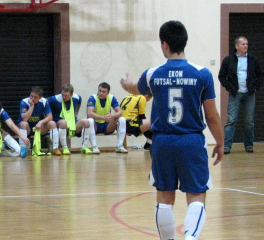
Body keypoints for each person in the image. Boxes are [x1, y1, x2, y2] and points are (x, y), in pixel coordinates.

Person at [120, 20, 224, 240]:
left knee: (164, 199)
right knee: (196, 196)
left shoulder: (152, 74)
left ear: (164, 44)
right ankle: (190, 238)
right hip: (192, 141)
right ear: (184, 42)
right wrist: (221, 142)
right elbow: (212, 116)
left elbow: (137, 90)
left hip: (162, 142)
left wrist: (127, 84)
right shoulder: (202, 74)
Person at [218, 36, 262, 154]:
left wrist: (255, 87)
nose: (245, 46)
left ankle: (248, 145)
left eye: (247, 44)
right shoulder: (228, 60)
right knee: (231, 120)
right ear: (236, 46)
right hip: (235, 94)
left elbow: (260, 75)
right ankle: (227, 146)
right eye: (243, 44)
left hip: (249, 94)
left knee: (249, 121)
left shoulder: (253, 59)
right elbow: (221, 76)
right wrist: (229, 87)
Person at [47, 84, 95, 155]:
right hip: (59, 123)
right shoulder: (55, 99)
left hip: (72, 123)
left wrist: (76, 114)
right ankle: (64, 147)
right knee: (63, 122)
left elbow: (79, 102)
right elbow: (44, 102)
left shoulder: (77, 98)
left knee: (86, 122)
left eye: (66, 95)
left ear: (71, 94)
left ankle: (84, 147)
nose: (63, 97)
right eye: (63, 94)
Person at [86, 82, 127, 154]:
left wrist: (112, 116)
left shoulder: (111, 98)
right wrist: (103, 118)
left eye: (103, 91)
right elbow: (89, 113)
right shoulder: (92, 98)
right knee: (89, 120)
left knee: (122, 119)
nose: (101, 93)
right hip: (96, 126)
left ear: (108, 92)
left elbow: (119, 112)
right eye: (99, 91)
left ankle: (119, 146)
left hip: (107, 126)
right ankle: (94, 147)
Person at [17, 86, 58, 156]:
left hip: (38, 127)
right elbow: (25, 118)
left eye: (35, 97)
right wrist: (31, 106)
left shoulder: (44, 102)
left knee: (52, 123)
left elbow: (50, 117)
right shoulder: (24, 102)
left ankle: (55, 148)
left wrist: (40, 122)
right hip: (27, 128)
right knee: (24, 124)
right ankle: (22, 149)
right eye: (31, 96)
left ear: (40, 98)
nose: (32, 99)